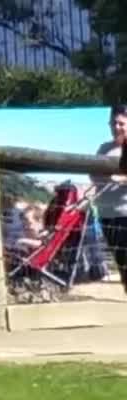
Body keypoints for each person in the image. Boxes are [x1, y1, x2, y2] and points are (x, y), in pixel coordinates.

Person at [89, 104, 127, 291]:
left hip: (125, 214)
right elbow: (93, 174)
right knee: (121, 264)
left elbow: (115, 178)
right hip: (106, 215)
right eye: (113, 123)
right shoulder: (104, 148)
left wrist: (119, 179)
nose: (116, 127)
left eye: (121, 123)